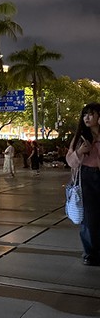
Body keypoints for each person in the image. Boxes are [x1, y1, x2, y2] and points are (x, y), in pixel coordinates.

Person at [66, 102, 100, 266]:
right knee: (89, 217)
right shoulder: (80, 137)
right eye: (85, 114)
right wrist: (79, 151)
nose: (87, 117)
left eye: (91, 114)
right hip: (87, 178)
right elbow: (70, 161)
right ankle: (90, 253)